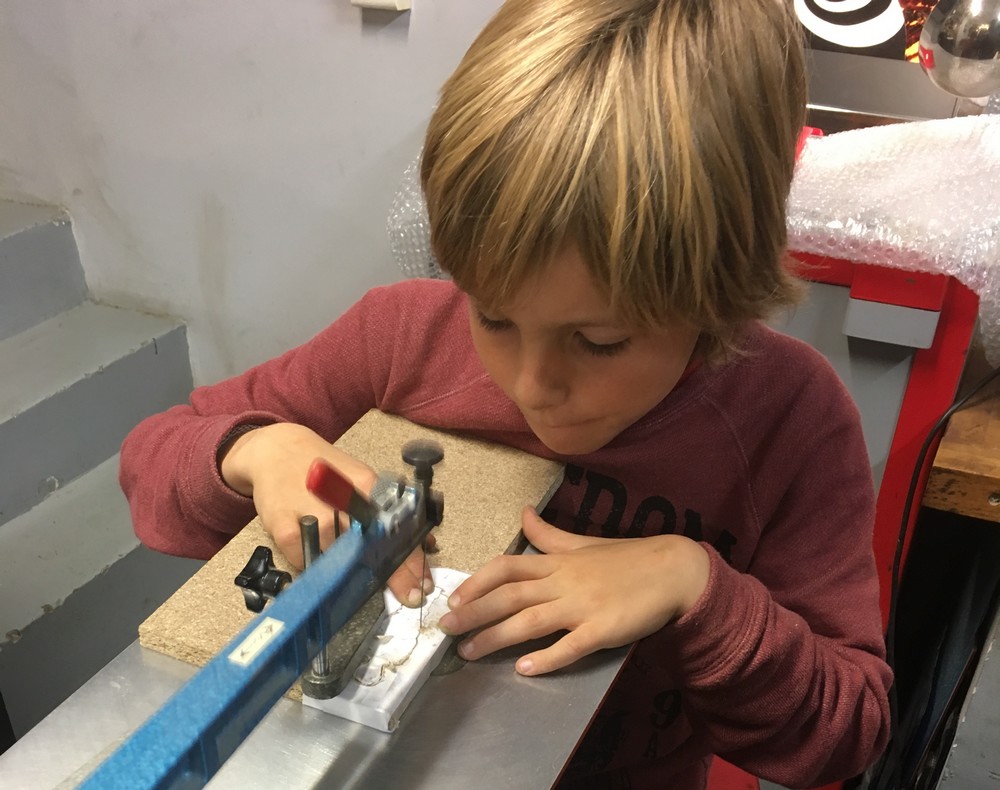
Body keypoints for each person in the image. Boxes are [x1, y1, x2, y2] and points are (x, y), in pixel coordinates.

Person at [119, 0, 892, 786]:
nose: (532, 386)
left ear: (721, 287)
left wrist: (697, 588)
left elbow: (847, 732)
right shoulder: (398, 338)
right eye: (493, 316)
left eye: (599, 342)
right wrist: (257, 450)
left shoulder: (791, 420)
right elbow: (151, 457)